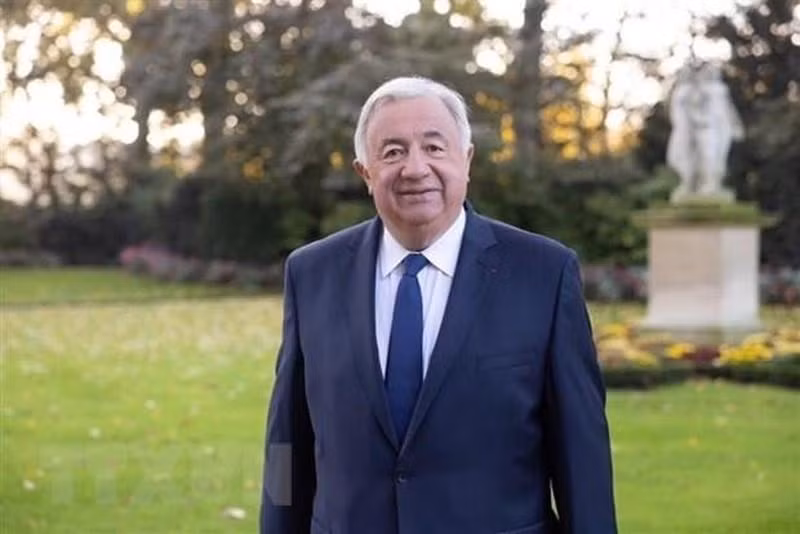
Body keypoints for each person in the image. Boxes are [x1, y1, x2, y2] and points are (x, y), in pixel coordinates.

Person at [260, 76, 617, 534]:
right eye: (392, 152)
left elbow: (581, 459)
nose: (415, 168)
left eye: (434, 147)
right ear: (365, 172)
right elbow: (285, 446)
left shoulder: (544, 274)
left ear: (466, 161)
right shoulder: (312, 274)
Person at [667, 63, 743, 201]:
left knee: (712, 157)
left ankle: (710, 184)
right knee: (691, 157)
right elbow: (684, 112)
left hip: (713, 129)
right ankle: (692, 184)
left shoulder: (718, 90)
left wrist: (735, 125)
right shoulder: (688, 91)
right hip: (696, 130)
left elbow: (726, 111)